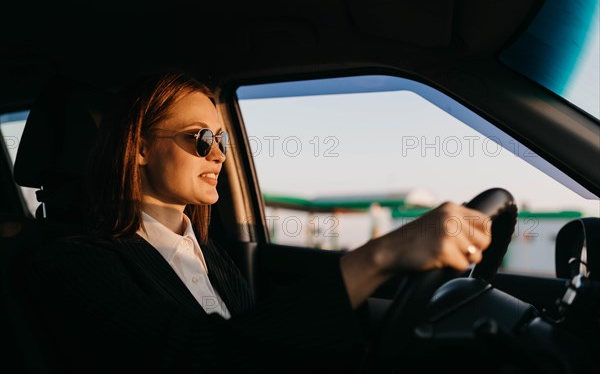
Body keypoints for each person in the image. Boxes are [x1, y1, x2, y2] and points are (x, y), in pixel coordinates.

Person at [24, 71, 491, 374]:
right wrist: (382, 255)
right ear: (140, 148)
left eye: (223, 138)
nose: (219, 153)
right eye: (200, 138)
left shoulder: (207, 253)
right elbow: (201, 358)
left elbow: (256, 337)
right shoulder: (69, 265)